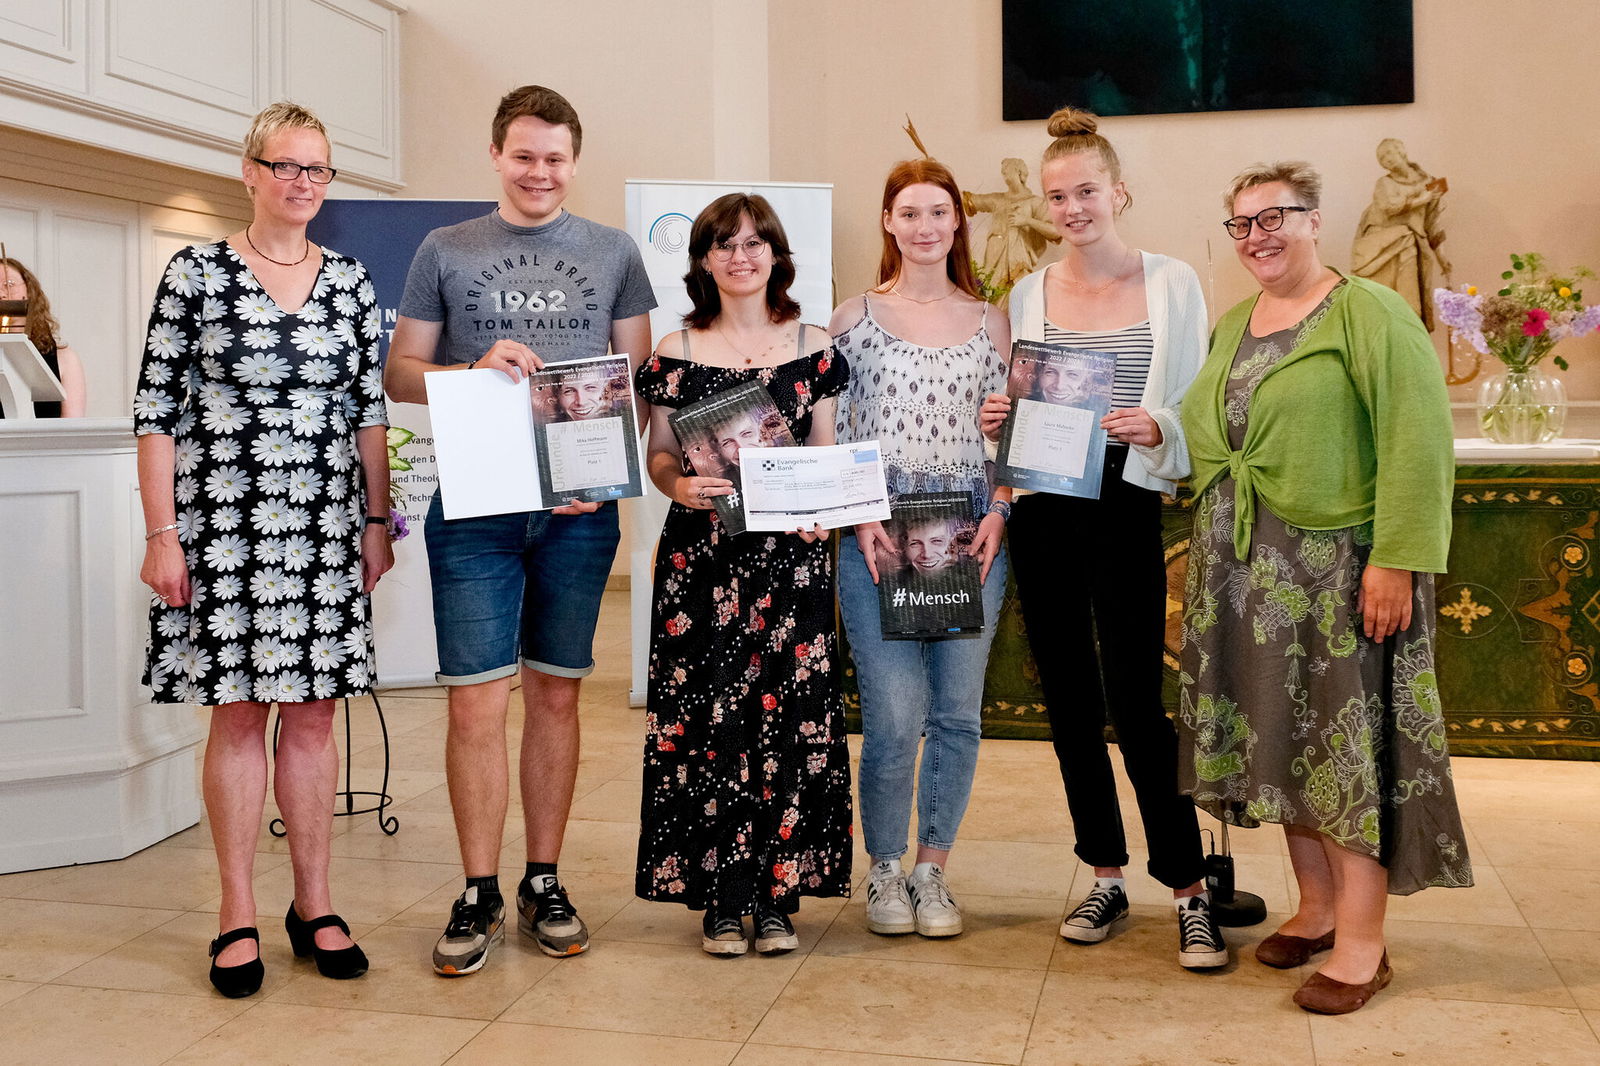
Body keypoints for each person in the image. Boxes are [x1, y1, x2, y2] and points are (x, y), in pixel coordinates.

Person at [1178, 161, 1472, 1014]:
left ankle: (1362, 945)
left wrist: (1397, 559)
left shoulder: (1368, 310)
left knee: (1344, 752)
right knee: (1282, 748)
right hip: (1245, 576)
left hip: (1335, 576)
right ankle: (1315, 908)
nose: (1258, 235)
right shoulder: (1235, 321)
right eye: (1242, 223)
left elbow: (1419, 439)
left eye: (1276, 216)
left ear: (1314, 220)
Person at [383, 85, 656, 976]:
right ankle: (478, 890)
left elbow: (636, 378)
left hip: (578, 515)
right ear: (497, 155)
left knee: (557, 693)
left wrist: (607, 471)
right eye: (525, 155)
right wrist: (472, 365)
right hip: (472, 510)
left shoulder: (613, 252)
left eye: (556, 157)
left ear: (575, 162)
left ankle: (543, 878)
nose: (540, 171)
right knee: (474, 700)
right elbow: (399, 374)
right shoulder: (445, 248)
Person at [134, 101, 392, 998]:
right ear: (249, 171)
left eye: (317, 170)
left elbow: (368, 411)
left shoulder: (352, 280)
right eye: (286, 166)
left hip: (323, 531)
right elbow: (156, 415)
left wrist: (375, 521)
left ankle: (314, 904)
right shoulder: (195, 274)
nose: (302, 184)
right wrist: (160, 534)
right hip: (221, 534)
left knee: (316, 718)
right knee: (238, 714)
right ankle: (235, 911)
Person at [978, 106, 1221, 968]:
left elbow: (1196, 396)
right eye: (1058, 195)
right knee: (1070, 702)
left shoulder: (1173, 281)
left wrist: (1157, 426)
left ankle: (1189, 888)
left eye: (1087, 190)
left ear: (1119, 191)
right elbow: (1021, 404)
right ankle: (1106, 873)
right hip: (1047, 500)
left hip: (1125, 499)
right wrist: (1000, 416)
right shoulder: (1029, 291)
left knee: (1136, 701)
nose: (1073, 206)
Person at [635, 192, 853, 956]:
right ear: (702, 260)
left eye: (755, 242)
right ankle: (722, 900)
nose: (740, 255)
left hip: (790, 563)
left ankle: (777, 896)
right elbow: (659, 453)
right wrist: (677, 485)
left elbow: (826, 453)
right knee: (710, 719)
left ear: (777, 255)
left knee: (790, 719)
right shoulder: (675, 348)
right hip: (702, 562)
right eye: (723, 244)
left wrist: (828, 505)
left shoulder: (814, 343)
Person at [832, 159, 1011, 939]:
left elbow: (1017, 428)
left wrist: (1003, 507)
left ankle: (932, 870)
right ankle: (883, 870)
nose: (926, 226)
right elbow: (829, 429)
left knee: (956, 713)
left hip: (970, 532)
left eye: (940, 211)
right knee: (895, 714)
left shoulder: (994, 320)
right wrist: (856, 514)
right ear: (888, 222)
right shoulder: (851, 318)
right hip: (876, 533)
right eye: (910, 212)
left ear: (957, 223)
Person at [1350, 138, 1452, 329]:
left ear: (1402, 152)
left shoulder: (1430, 183)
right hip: (1381, 250)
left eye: (1389, 153)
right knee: (1379, 309)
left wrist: (1442, 258)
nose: (1386, 159)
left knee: (1409, 308)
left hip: (1412, 248)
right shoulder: (1384, 184)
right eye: (1381, 157)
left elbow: (1432, 224)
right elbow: (1389, 207)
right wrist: (1423, 198)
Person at [0, 257, 86, 417]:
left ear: (29, 291)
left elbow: (73, 430)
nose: (1, 294)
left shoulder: (65, 359)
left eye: (9, 284)